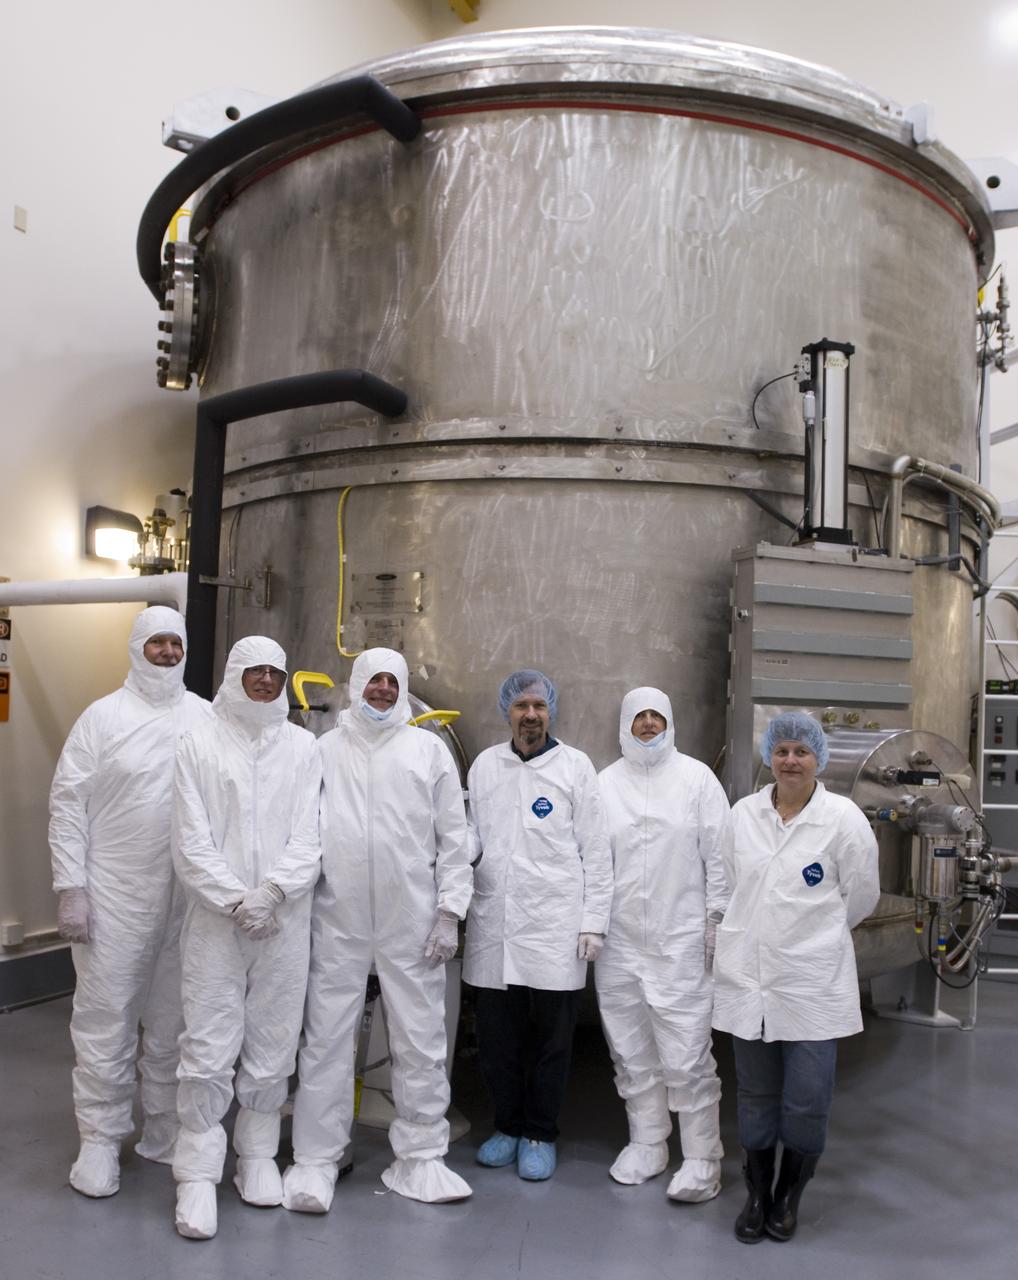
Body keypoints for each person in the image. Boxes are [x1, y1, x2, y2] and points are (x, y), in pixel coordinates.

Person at [282, 648, 474, 1210]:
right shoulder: (323, 751)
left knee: (420, 1039)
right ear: (356, 685)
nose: (384, 691)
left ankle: (420, 1159)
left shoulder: (427, 751)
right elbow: (302, 834)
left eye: (393, 682)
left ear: (404, 688)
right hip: (336, 917)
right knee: (325, 1043)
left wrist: (449, 912)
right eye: (375, 681)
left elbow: (454, 841)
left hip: (411, 919)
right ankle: (316, 1159)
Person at [49, 605, 212, 1199]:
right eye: (157, 644)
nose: (168, 653)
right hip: (114, 892)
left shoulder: (205, 716)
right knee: (106, 1018)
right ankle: (99, 1138)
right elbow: (68, 805)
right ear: (136, 648)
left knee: (175, 1020)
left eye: (176, 644)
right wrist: (72, 888)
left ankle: (164, 1128)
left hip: (189, 898)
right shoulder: (102, 718)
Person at [170, 635, 321, 1240]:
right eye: (254, 672)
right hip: (216, 921)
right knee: (208, 1044)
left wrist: (274, 893)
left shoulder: (304, 747)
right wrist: (236, 898)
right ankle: (197, 1176)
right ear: (233, 675)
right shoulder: (197, 740)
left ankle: (256, 1157)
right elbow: (189, 837)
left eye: (275, 674)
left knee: (274, 1039)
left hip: (284, 919)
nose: (265, 682)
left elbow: (311, 834)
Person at [713, 710, 879, 1244]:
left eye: (800, 752)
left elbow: (861, 896)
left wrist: (811, 937)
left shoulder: (844, 819)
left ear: (817, 759)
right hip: (748, 980)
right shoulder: (742, 815)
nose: (790, 760)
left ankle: (789, 1194)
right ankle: (757, 1193)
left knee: (807, 1097)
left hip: (812, 983)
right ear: (769, 756)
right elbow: (731, 883)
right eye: (781, 750)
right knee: (756, 1095)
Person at [464, 669, 613, 1182]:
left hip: (555, 927)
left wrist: (593, 922)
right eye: (521, 706)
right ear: (507, 711)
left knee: (552, 1042)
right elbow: (471, 839)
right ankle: (506, 1126)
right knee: (498, 1041)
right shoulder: (486, 766)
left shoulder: (575, 768)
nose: (531, 714)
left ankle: (539, 1132)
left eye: (539, 706)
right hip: (496, 925)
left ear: (551, 712)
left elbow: (597, 851)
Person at [596, 687, 732, 1200]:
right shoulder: (605, 784)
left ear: (670, 722)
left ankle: (701, 1158)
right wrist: (593, 924)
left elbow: (720, 857)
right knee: (630, 1050)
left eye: (657, 716)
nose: (649, 725)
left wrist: (717, 920)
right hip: (620, 942)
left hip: (682, 941)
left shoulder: (697, 779)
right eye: (639, 717)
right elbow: (592, 860)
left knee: (688, 1052)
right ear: (625, 723)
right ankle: (647, 1143)